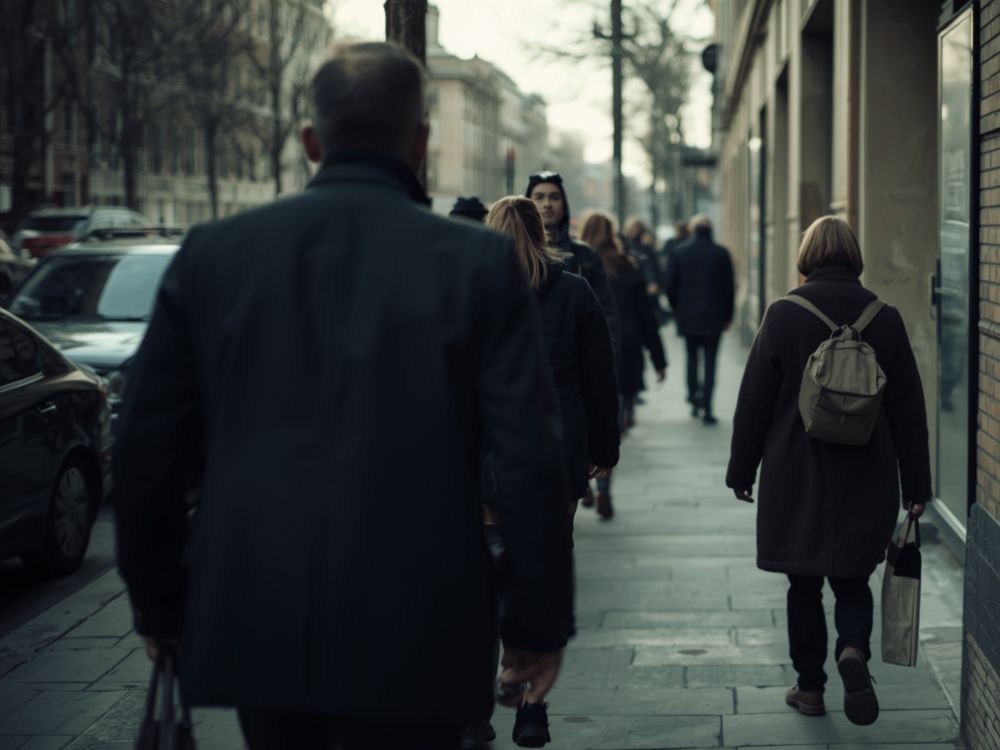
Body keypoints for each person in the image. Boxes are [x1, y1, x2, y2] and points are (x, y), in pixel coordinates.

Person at [112, 42, 573, 750]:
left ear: (309, 141)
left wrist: (160, 604)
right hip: (421, 614)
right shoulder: (477, 264)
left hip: (259, 607)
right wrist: (535, 624)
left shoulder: (213, 254)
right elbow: (529, 458)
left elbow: (147, 450)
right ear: (419, 141)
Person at [726, 215, 931, 727]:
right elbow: (909, 411)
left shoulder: (783, 315)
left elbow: (753, 401)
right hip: (869, 472)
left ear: (807, 257)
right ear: (854, 257)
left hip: (798, 472)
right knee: (854, 579)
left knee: (803, 584)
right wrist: (918, 487)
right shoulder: (885, 318)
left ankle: (811, 687)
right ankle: (854, 649)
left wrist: (741, 470)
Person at [484, 196, 619, 746]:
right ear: (542, 232)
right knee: (540, 571)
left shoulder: (476, 294)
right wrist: (603, 450)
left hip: (488, 450)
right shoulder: (575, 291)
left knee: (487, 574)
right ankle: (532, 709)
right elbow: (600, 380)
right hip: (556, 447)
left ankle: (479, 704)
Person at [580, 211, 666, 519]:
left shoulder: (574, 264)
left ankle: (583, 485)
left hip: (581, 356)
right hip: (622, 350)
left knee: (582, 424)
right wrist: (659, 358)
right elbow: (646, 317)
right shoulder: (628, 266)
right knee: (608, 424)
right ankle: (603, 490)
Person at [525, 172, 621, 361]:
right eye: (539, 197)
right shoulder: (515, 254)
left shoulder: (585, 255)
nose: (547, 204)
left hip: (578, 365)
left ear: (564, 204)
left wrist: (608, 360)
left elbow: (606, 312)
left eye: (554, 197)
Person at [665, 215, 734, 425]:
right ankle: (707, 406)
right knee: (711, 361)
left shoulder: (679, 252)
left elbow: (670, 286)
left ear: (693, 230)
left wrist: (677, 309)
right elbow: (729, 288)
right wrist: (728, 316)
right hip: (714, 316)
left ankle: (694, 398)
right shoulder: (721, 253)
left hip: (688, 315)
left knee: (692, 357)